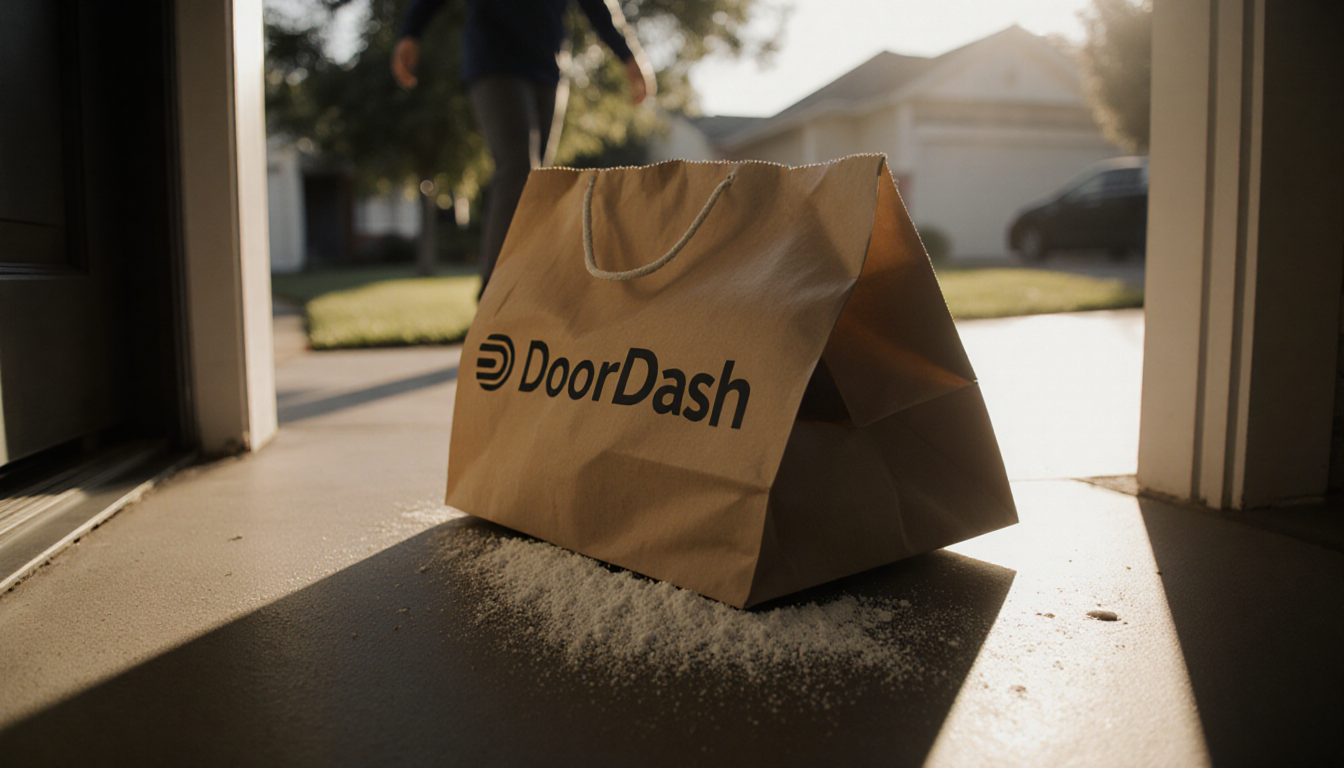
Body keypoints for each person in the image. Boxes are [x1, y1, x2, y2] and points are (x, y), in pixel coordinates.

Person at [392, 0, 654, 298]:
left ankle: (529, 289)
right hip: (494, 57)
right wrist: (412, 31)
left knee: (538, 183)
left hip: (547, 64)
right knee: (518, 168)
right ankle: (494, 292)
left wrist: (629, 56)